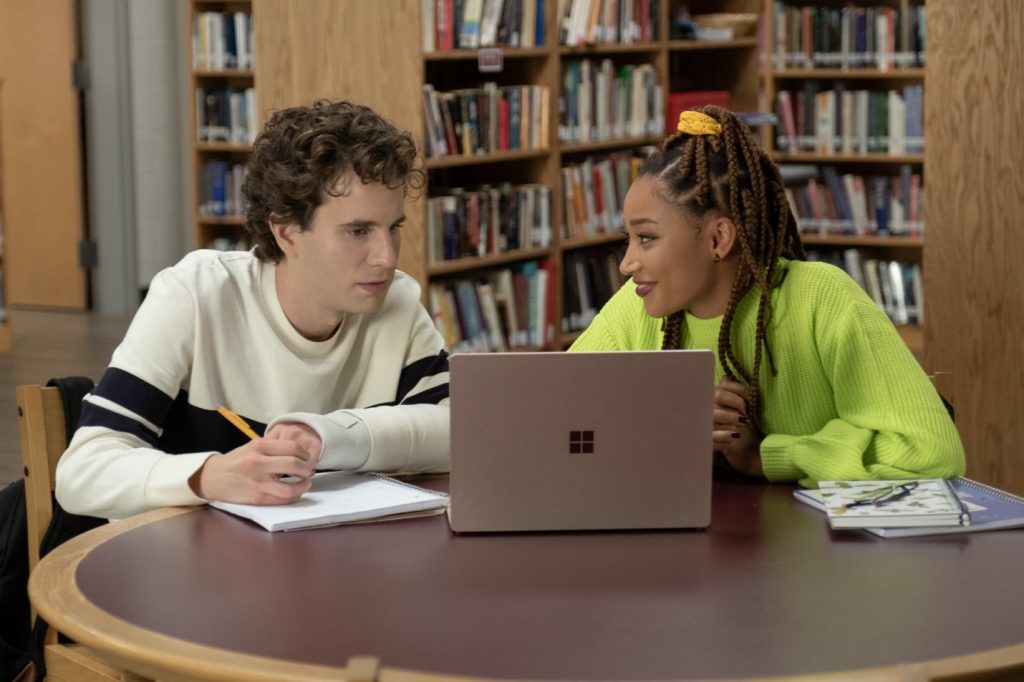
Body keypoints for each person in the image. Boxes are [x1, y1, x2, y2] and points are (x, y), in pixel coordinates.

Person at [56, 100, 450, 519]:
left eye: (394, 228)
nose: (386, 258)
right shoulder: (195, 295)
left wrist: (326, 435)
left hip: (326, 565)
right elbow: (81, 473)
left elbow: (461, 434)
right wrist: (209, 475)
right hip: (183, 566)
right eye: (358, 231)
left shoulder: (397, 304)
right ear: (286, 232)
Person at [570, 106, 964, 486]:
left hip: (816, 549)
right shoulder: (638, 305)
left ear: (718, 238)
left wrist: (767, 456)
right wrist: (670, 426)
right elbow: (556, 421)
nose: (626, 264)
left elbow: (931, 452)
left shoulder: (821, 297)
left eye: (646, 238)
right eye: (629, 240)